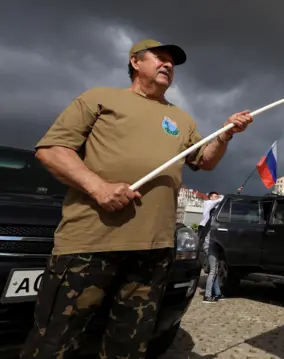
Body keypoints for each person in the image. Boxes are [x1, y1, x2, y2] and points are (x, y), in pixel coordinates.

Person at [20, 39, 253, 359]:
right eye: (160, 58)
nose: (168, 65)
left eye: (172, 63)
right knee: (57, 343)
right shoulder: (99, 99)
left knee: (128, 345)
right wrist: (98, 187)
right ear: (135, 62)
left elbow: (205, 160)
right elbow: (51, 151)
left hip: (153, 251)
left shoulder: (181, 119)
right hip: (90, 245)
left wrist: (225, 133)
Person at [201, 191, 226, 303]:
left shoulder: (213, 211)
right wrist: (225, 197)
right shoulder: (208, 204)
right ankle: (207, 295)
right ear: (210, 197)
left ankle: (217, 293)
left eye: (217, 196)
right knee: (213, 270)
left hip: (210, 244)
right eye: (214, 196)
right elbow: (218, 201)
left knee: (214, 269)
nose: (216, 198)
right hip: (209, 245)